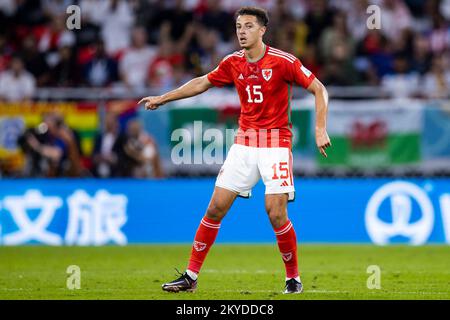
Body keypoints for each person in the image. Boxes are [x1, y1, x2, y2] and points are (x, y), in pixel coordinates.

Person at [139, 7, 331, 294]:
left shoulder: (283, 61)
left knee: (276, 214)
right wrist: (164, 98)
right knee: (215, 208)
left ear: (262, 30)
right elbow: (202, 82)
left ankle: (293, 278)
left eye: (248, 26)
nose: (242, 31)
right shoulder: (232, 62)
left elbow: (319, 89)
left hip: (275, 143)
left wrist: (319, 128)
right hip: (244, 143)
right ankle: (190, 276)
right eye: (239, 26)